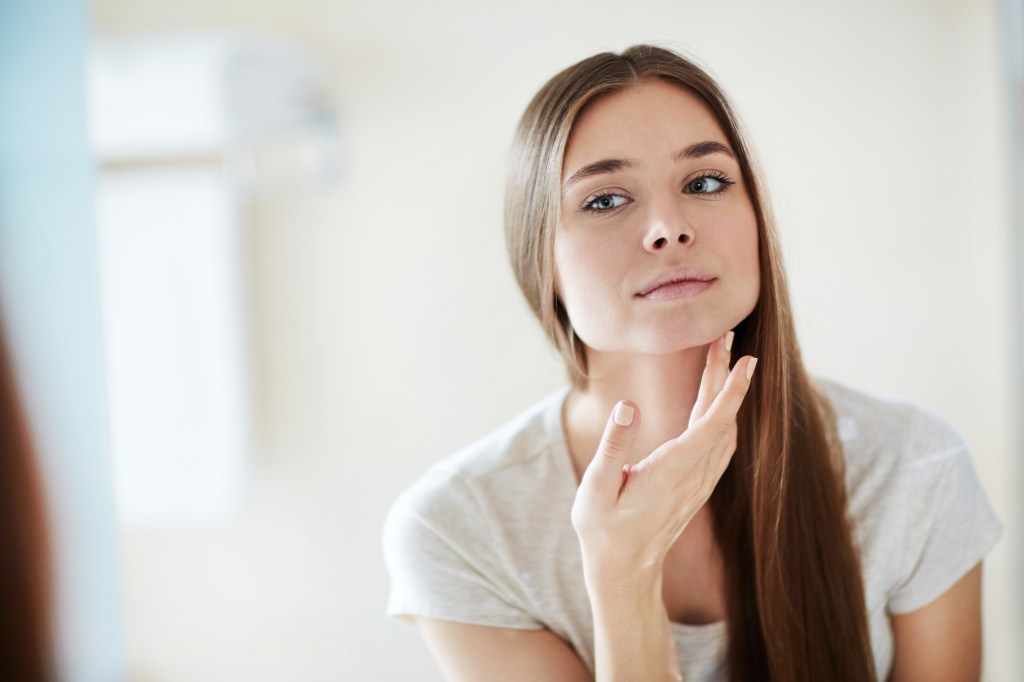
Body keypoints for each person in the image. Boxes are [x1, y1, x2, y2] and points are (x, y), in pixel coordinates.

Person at [382, 45, 1004, 681]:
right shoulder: (461, 529)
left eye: (704, 183)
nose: (667, 228)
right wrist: (623, 573)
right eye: (604, 200)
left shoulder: (914, 471)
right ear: (541, 263)